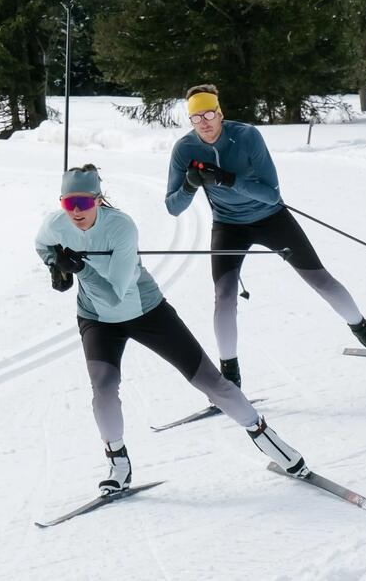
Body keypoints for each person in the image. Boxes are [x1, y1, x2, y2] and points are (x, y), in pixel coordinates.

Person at [39, 164, 311, 494]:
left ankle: (269, 439)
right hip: (96, 318)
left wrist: (81, 268)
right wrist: (56, 265)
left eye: (84, 203)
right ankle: (118, 464)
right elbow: (42, 244)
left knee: (211, 381)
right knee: (104, 389)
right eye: (69, 204)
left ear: (98, 200)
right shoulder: (56, 223)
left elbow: (116, 294)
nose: (76, 212)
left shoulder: (121, 228)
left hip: (145, 310)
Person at [164, 84, 366, 390]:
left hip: (271, 218)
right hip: (228, 226)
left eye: (210, 113)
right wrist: (189, 185)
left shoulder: (247, 136)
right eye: (197, 117)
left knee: (321, 280)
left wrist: (228, 180)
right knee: (224, 298)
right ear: (191, 121)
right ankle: (230, 379)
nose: (205, 122)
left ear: (220, 113)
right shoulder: (184, 150)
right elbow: (173, 207)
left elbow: (271, 193)